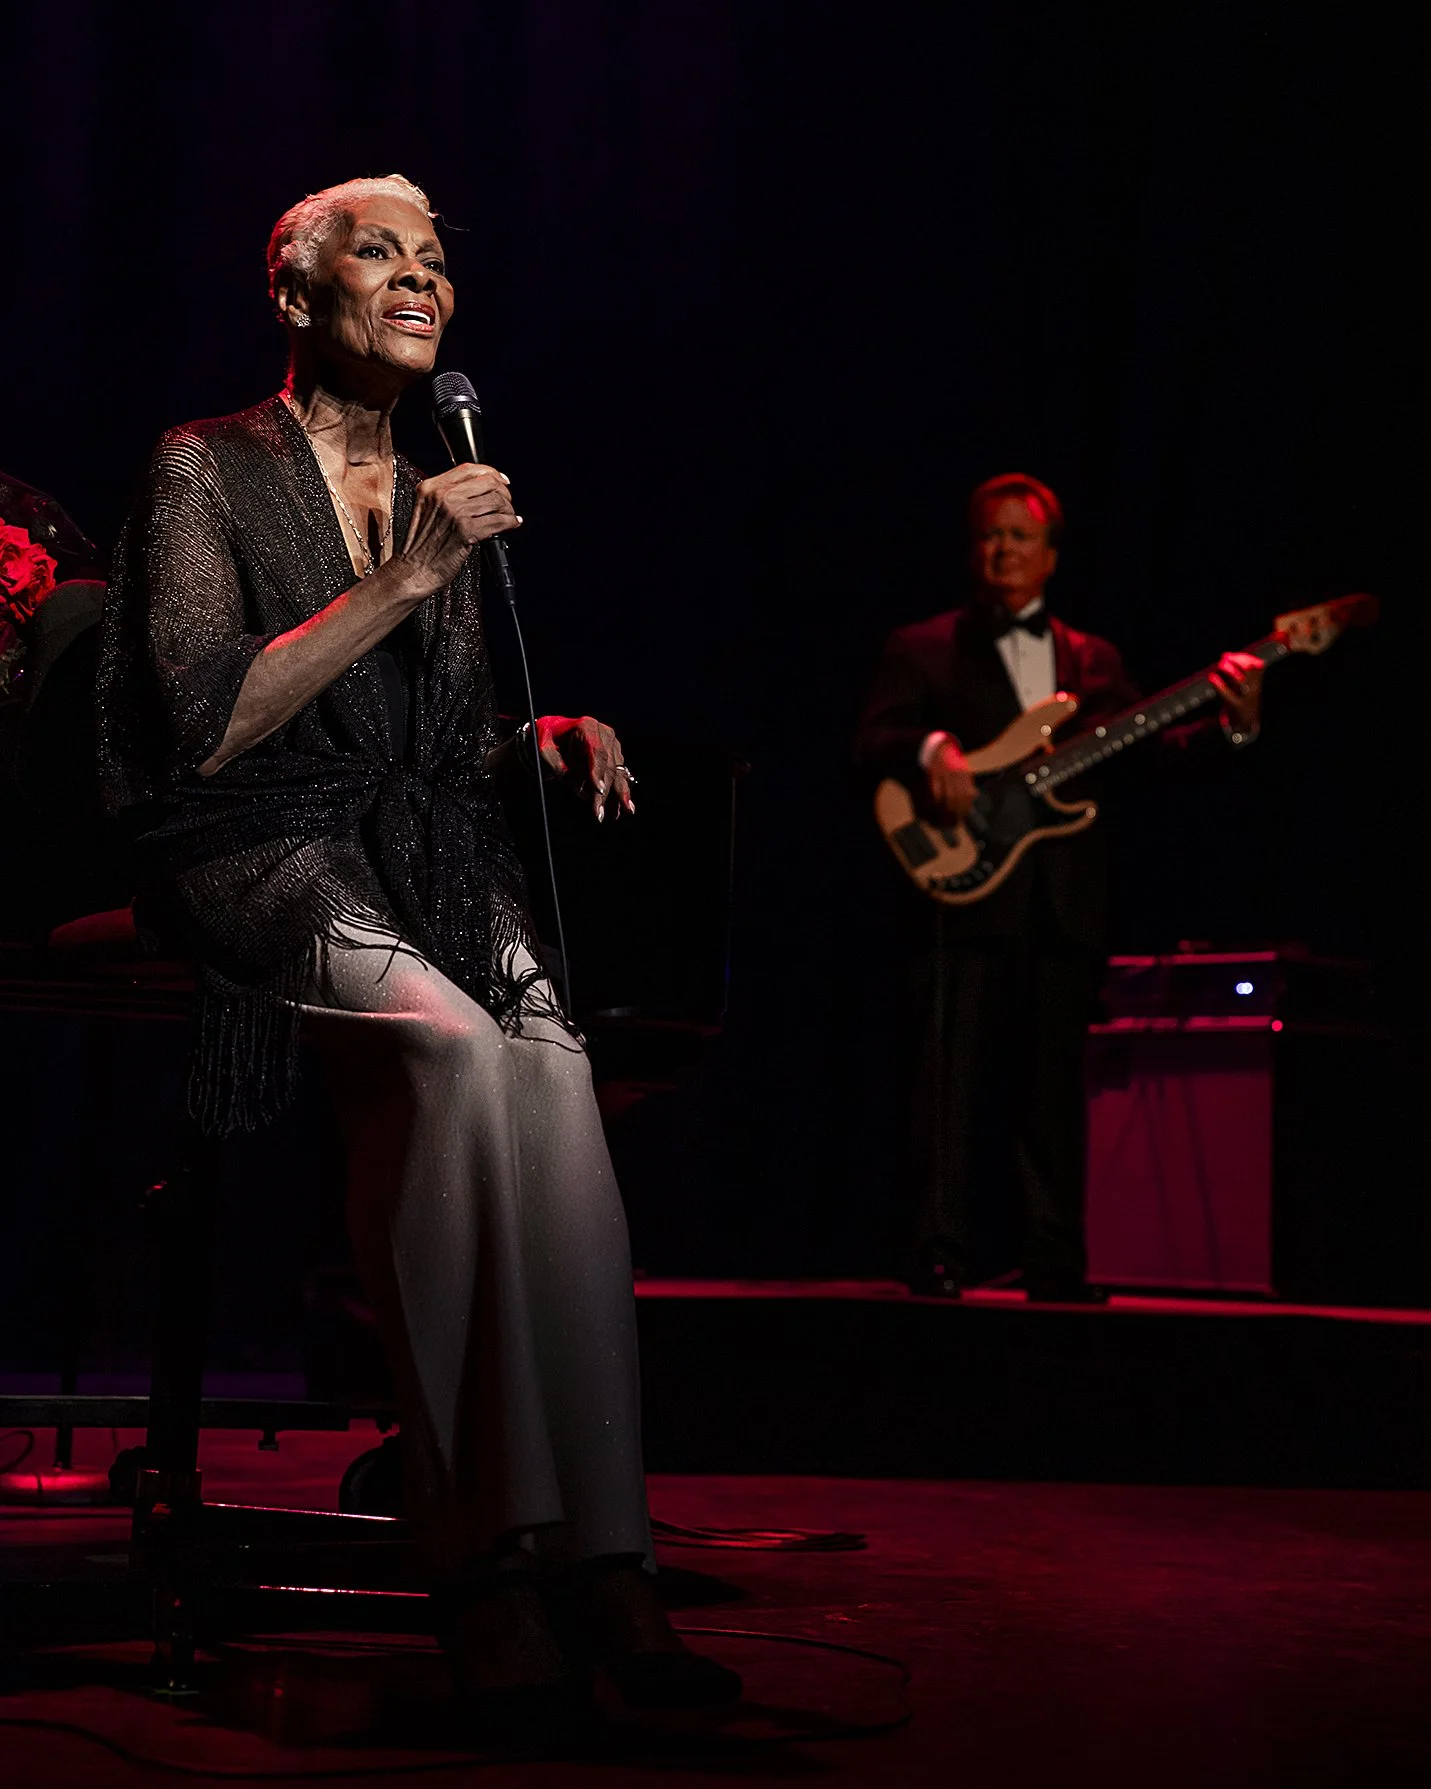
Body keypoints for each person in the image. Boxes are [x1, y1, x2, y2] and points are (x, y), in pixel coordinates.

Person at [96, 174, 738, 1725]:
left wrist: (538, 731)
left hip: (414, 838)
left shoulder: (442, 466)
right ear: (294, 293)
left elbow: (429, 732)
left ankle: (601, 1552)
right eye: (375, 252)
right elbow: (204, 732)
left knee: (551, 1073)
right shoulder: (210, 467)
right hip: (248, 838)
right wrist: (406, 577)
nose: (415, 279)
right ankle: (475, 1555)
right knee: (453, 1057)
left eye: (435, 260)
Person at [853, 473, 1264, 1302]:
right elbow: (874, 740)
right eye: (987, 536)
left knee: (1050, 1089)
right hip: (961, 892)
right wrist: (932, 749)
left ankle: (1053, 1257)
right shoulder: (924, 645)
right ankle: (936, 1251)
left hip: (1059, 898)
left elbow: (1152, 757)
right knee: (946, 1083)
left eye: (1018, 537)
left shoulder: (1094, 660)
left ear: (1049, 555)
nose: (1001, 550)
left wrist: (1234, 722)